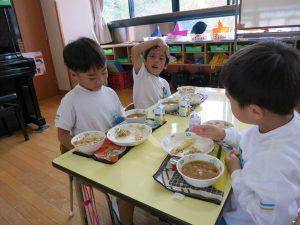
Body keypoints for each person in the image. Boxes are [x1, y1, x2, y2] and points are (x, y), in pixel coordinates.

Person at [192, 41, 300, 225]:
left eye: (230, 99)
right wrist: (223, 134)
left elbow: (268, 219)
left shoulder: (273, 162)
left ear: (255, 111)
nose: (229, 102)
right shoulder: (283, 121)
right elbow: (254, 142)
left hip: (239, 218)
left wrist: (236, 172)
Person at [55, 37, 134, 225]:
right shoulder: (70, 100)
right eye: (92, 77)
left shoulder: (110, 93)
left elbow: (119, 117)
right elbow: (62, 135)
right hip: (89, 158)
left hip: (113, 149)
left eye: (104, 72)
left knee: (135, 176)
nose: (100, 80)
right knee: (124, 188)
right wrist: (82, 148)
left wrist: (126, 119)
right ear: (74, 75)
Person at [131, 38, 171, 109]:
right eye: (152, 56)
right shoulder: (142, 74)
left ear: (165, 65)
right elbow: (135, 51)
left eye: (161, 58)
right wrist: (157, 41)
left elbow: (168, 103)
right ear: (145, 61)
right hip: (143, 118)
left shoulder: (165, 83)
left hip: (159, 118)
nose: (156, 60)